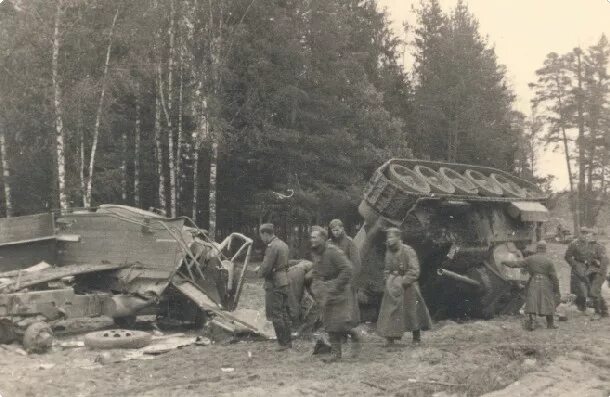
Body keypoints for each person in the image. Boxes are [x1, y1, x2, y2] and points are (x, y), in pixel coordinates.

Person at [310, 226, 361, 362]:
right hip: (326, 291)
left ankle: (355, 336)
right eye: (311, 237)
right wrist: (317, 288)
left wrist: (336, 284)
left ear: (323, 238)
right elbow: (316, 271)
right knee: (329, 324)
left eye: (314, 237)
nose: (312, 240)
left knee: (341, 324)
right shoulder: (316, 253)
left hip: (340, 292)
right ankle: (336, 354)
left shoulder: (332, 251)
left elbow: (348, 269)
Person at [376, 227, 431, 347]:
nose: (389, 240)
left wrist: (403, 281)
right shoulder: (389, 251)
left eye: (391, 237)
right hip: (392, 285)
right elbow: (387, 268)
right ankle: (390, 338)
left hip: (408, 286)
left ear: (398, 238)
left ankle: (416, 337)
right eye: (388, 237)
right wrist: (388, 279)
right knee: (390, 311)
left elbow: (414, 270)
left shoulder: (407, 251)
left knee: (412, 312)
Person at [502, 240, 560, 330]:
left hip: (534, 281)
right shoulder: (549, 261)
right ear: (545, 249)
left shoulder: (531, 258)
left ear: (537, 248)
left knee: (532, 301)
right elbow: (554, 277)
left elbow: (516, 264)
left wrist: (503, 262)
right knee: (548, 301)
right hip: (545, 282)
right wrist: (556, 290)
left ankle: (532, 323)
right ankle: (550, 324)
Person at [258, 223, 292, 350]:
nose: (262, 239)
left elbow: (266, 267)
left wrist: (259, 272)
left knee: (276, 314)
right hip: (284, 281)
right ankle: (288, 341)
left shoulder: (272, 247)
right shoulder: (283, 244)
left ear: (265, 234)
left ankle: (283, 343)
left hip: (274, 283)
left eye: (261, 236)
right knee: (283, 313)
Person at [565, 227, 609, 318]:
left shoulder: (597, 246)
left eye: (588, 234)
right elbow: (569, 256)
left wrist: (599, 271)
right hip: (587, 271)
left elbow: (604, 260)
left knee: (593, 291)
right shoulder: (579, 244)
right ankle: (601, 310)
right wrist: (577, 265)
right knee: (588, 290)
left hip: (596, 272)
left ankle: (600, 311)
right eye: (584, 233)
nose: (586, 236)